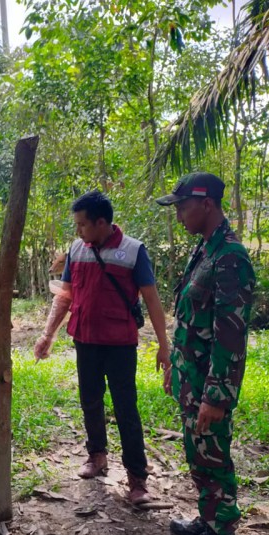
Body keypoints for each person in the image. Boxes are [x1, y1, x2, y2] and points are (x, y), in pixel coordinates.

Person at [34, 191, 171, 505]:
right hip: (85, 339)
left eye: (83, 225)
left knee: (126, 408)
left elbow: (152, 300)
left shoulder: (133, 250)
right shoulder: (77, 250)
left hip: (120, 343)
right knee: (90, 400)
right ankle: (97, 456)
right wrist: (47, 335)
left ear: (100, 222)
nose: (79, 231)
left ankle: (137, 478)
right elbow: (65, 295)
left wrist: (164, 347)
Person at [156, 172, 255, 535]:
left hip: (210, 385)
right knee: (198, 454)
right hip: (191, 377)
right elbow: (191, 319)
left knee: (213, 458)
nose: (178, 213)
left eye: (182, 205)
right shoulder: (205, 250)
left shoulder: (230, 257)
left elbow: (230, 336)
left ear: (207, 204)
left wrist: (216, 396)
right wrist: (175, 369)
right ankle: (208, 517)